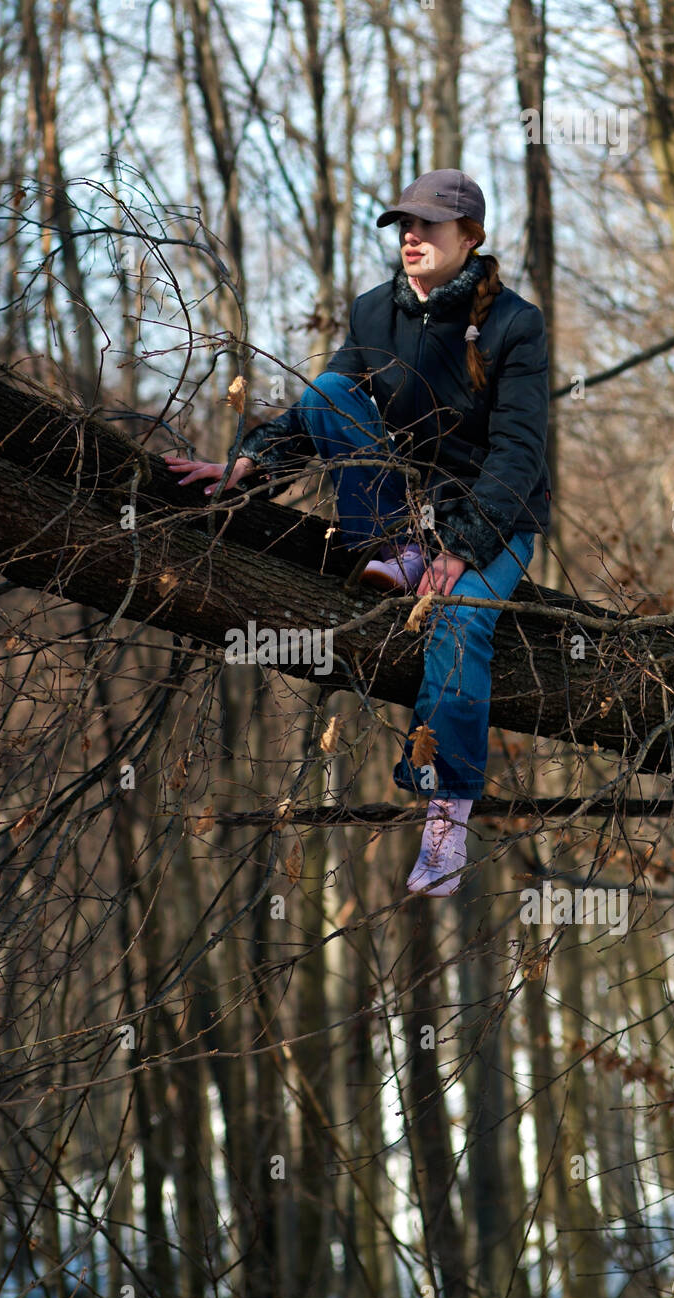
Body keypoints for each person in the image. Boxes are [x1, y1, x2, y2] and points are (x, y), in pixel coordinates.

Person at [166, 169, 551, 897]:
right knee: (326, 388)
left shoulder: (513, 324)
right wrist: (246, 461)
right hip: (403, 508)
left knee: (459, 625)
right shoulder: (375, 313)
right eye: (402, 224)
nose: (410, 235)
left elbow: (518, 454)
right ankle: (391, 553)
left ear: (468, 237)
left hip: (495, 515)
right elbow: (324, 408)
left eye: (428, 225)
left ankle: (445, 813)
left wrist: (462, 549)